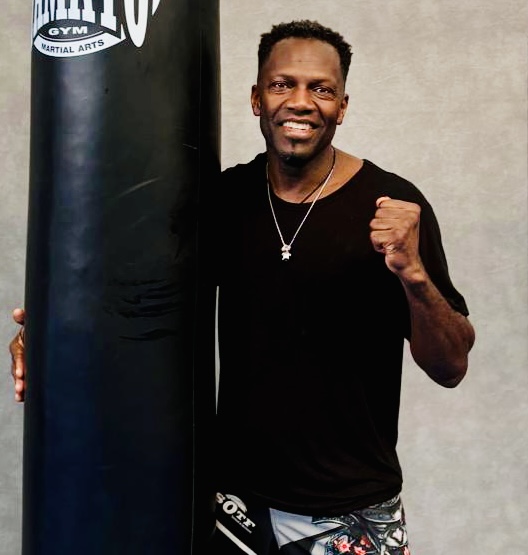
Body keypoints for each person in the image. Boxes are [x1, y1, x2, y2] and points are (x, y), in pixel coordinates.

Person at [10, 19, 474, 555]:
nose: (301, 102)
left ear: (342, 107)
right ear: (257, 98)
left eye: (321, 89)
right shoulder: (224, 200)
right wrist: (49, 335)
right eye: (283, 84)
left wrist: (414, 275)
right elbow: (136, 297)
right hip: (235, 509)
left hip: (347, 513)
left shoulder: (391, 205)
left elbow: (450, 366)